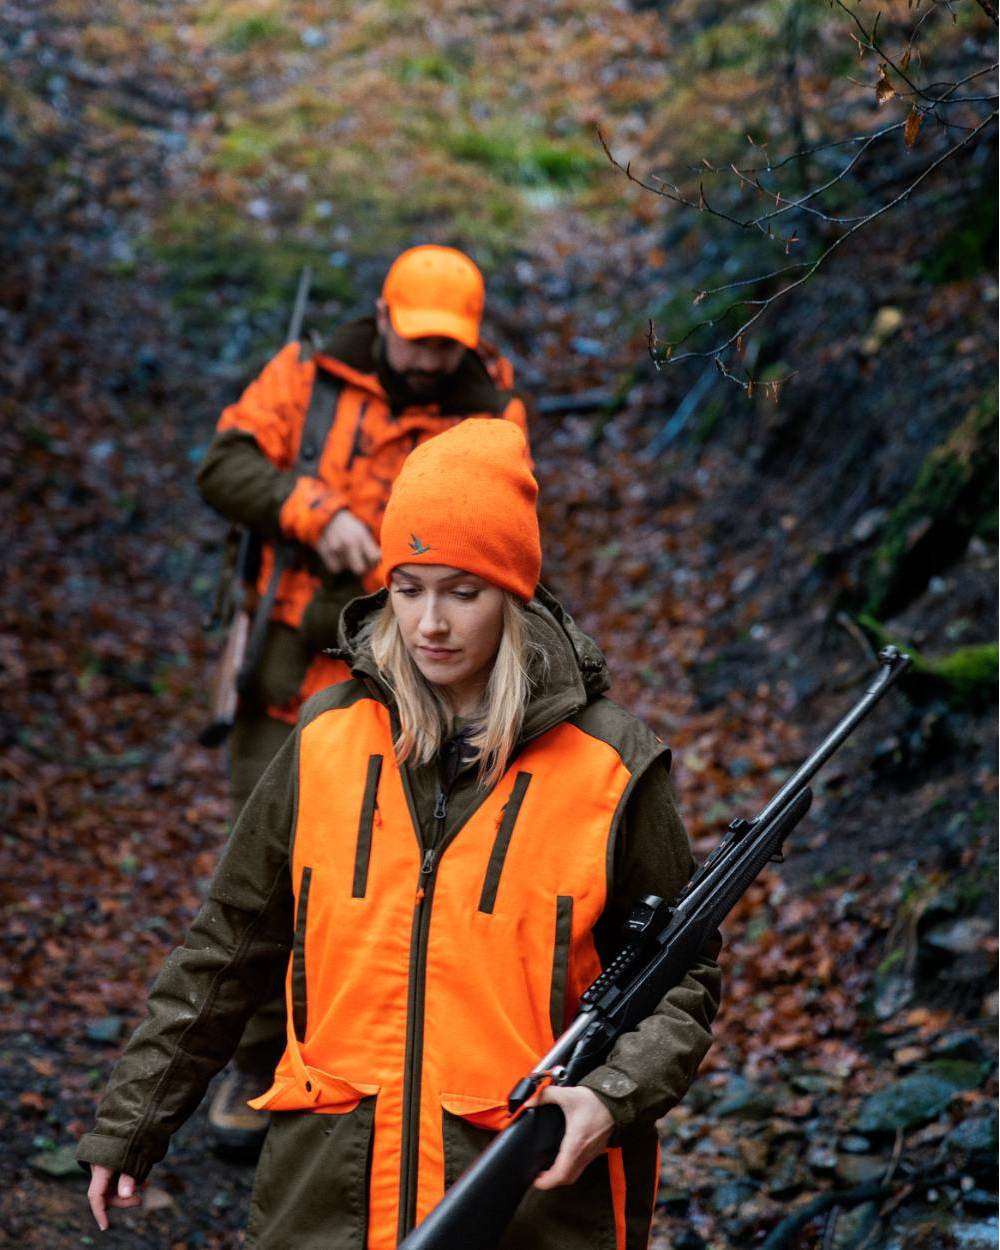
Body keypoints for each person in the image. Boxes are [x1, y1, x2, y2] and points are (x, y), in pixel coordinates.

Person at [79, 420, 721, 1249]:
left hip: (530, 1210)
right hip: (324, 1200)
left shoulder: (612, 764)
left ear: (514, 595)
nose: (430, 624)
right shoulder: (326, 737)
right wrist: (134, 1123)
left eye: (463, 591)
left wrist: (615, 1095)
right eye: (410, 587)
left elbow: (683, 976)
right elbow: (228, 943)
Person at [196, 244, 530, 1151]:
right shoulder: (305, 378)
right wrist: (316, 512)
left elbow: (501, 539)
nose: (430, 360)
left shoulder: (493, 412)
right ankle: (258, 1069)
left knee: (380, 888)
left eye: (446, 345)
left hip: (414, 693)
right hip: (283, 681)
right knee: (267, 885)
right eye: (417, 341)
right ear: (382, 319)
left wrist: (395, 557)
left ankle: (359, 1073)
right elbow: (223, 467)